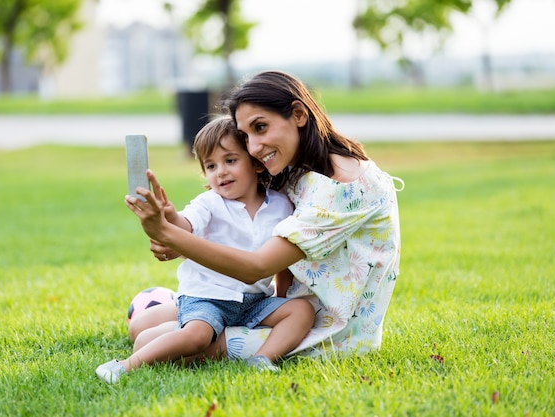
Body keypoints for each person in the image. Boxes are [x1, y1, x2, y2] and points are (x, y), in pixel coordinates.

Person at [126, 70, 403, 361]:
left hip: (324, 332)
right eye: (245, 136)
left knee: (150, 340)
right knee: (143, 322)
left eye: (261, 127)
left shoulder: (343, 189)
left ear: (298, 114)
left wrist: (169, 234)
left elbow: (256, 267)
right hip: (283, 302)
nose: (254, 148)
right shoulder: (303, 168)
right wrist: (177, 232)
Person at [96, 115, 315, 384]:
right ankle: (124, 366)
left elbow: (281, 259)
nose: (220, 171)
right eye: (211, 166)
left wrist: (281, 295)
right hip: (207, 298)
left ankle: (262, 359)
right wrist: (168, 216)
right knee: (197, 335)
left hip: (253, 301)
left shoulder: (281, 205)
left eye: (230, 161)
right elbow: (186, 225)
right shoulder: (209, 203)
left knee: (301, 310)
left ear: (256, 164)